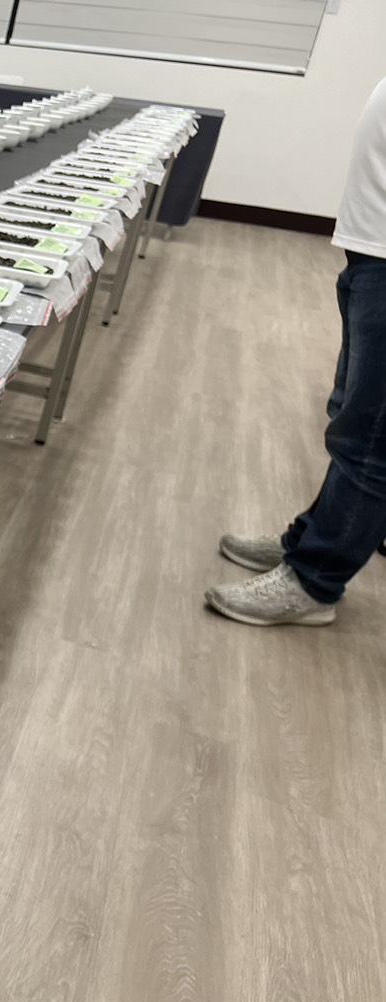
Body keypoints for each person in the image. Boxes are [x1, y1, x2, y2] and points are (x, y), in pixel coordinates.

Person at [206, 76, 386, 626]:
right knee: (351, 419)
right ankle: (308, 542)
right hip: (371, 248)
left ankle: (314, 581)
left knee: (371, 441)